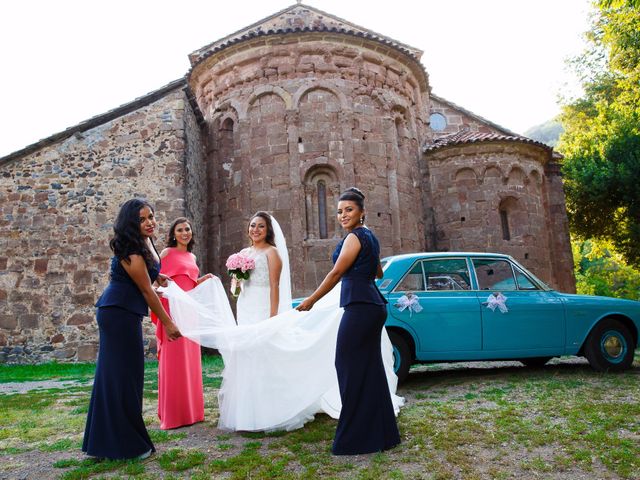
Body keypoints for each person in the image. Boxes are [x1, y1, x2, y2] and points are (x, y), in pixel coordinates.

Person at [296, 187, 401, 455]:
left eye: (349, 210)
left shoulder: (355, 237)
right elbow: (378, 272)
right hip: (372, 304)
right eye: (340, 211)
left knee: (347, 366)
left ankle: (357, 436)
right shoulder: (369, 237)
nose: (343, 215)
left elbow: (336, 273)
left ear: (362, 212)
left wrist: (312, 299)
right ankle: (383, 433)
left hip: (361, 306)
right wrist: (362, 268)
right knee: (369, 368)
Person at [82, 198, 181, 460]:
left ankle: (104, 443)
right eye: (142, 219)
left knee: (120, 377)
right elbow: (147, 292)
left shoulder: (144, 243)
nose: (150, 222)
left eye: (151, 216)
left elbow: (147, 277)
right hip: (118, 313)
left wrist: (157, 274)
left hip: (123, 312)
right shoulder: (131, 250)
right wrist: (168, 323)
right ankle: (125, 445)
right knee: (122, 378)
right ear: (131, 223)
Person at [151, 217, 213, 429]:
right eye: (180, 230)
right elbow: (155, 280)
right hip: (173, 310)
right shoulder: (166, 253)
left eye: (187, 229)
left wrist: (203, 281)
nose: (185, 233)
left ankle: (192, 413)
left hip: (189, 311)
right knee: (174, 359)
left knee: (190, 361)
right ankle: (174, 415)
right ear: (173, 233)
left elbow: (190, 284)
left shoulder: (192, 256)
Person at [235, 211, 292, 324]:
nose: (255, 229)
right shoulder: (243, 252)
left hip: (263, 304)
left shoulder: (271, 252)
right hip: (245, 304)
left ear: (268, 230)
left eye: (261, 226)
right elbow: (239, 285)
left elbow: (275, 285)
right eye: (252, 225)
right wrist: (236, 282)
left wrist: (273, 317)